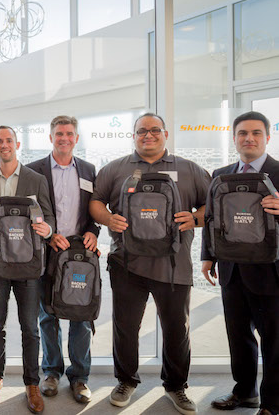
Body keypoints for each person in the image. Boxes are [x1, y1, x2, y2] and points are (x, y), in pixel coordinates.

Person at [89, 113, 210, 415]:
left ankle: (176, 386)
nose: (148, 135)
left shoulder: (189, 169)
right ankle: (126, 381)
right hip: (127, 264)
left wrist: (195, 218)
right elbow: (95, 201)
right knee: (125, 328)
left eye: (155, 130)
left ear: (165, 134)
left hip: (174, 265)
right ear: (134, 135)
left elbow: (212, 203)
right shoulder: (115, 169)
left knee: (176, 330)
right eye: (142, 131)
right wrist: (108, 219)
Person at [201, 111, 279, 415]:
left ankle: (272, 403)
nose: (249, 138)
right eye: (243, 133)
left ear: (267, 137)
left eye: (256, 133)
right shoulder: (221, 174)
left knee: (274, 341)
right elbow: (211, 218)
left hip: (271, 272)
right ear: (234, 138)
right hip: (231, 270)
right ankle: (245, 392)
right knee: (238, 336)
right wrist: (208, 256)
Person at [0, 125, 55, 414]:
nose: (4, 145)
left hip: (28, 266)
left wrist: (48, 229)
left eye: (9, 140)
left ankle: (32, 383)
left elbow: (49, 216)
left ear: (17, 144)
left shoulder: (36, 180)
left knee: (30, 328)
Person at [26, 116, 99, 404]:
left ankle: (80, 377)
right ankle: (51, 372)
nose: (64, 138)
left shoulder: (89, 170)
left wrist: (93, 231)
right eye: (59, 133)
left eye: (69, 133)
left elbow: (95, 210)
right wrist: (48, 235)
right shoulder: (35, 170)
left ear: (76, 138)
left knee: (81, 315)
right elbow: (31, 213)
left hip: (80, 255)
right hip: (48, 251)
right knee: (48, 315)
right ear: (51, 137)